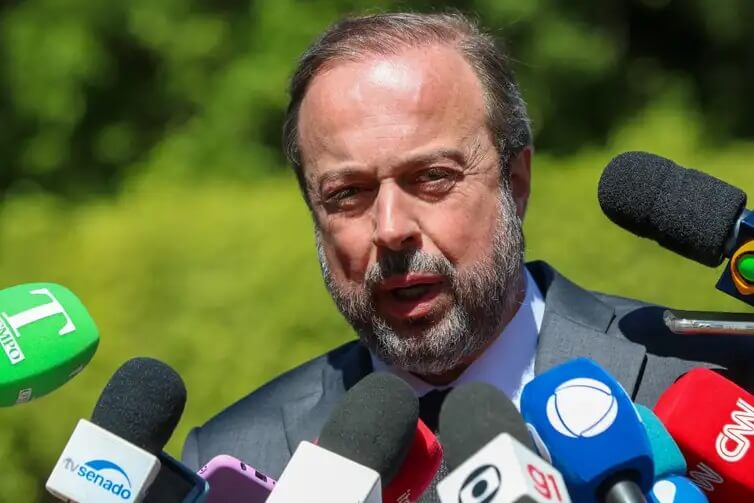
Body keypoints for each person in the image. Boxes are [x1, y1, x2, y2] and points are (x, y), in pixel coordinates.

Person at [182, 10, 753, 490]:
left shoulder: (713, 380)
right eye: (347, 193)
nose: (390, 229)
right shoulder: (238, 455)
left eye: (432, 177)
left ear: (516, 184)